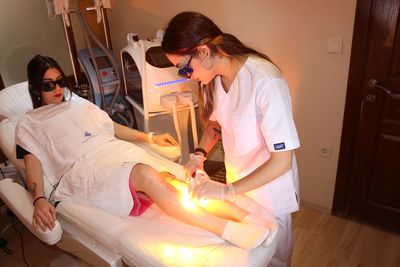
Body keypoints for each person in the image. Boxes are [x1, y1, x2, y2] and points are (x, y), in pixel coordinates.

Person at [15, 54, 278, 250]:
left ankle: (249, 218)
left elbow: (113, 128)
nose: (58, 89)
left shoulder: (79, 105)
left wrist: (149, 136)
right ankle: (227, 229)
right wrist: (38, 198)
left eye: (60, 81)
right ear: (36, 89)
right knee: (145, 174)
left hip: (112, 152)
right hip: (82, 170)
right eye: (49, 85)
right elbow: (33, 160)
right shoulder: (30, 123)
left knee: (172, 180)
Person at [162, 12, 300, 266]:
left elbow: (282, 161)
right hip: (238, 188)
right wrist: (198, 157)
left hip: (270, 194)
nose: (186, 75)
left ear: (203, 51)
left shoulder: (266, 81)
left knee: (273, 260)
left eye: (184, 68)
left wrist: (226, 191)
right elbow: (215, 127)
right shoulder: (213, 80)